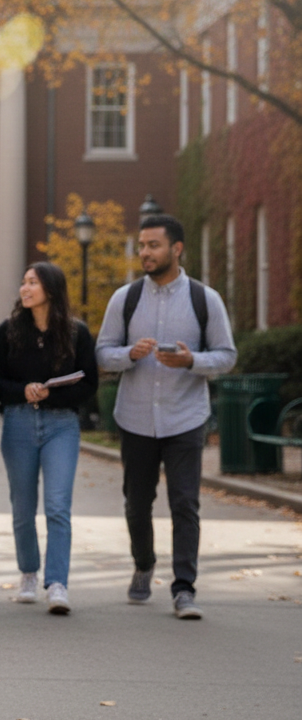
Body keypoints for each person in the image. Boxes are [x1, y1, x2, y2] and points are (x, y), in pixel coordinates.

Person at [97, 215, 236, 619]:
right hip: (136, 419)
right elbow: (103, 352)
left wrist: (192, 360)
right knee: (136, 505)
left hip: (185, 418)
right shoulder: (125, 299)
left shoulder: (204, 300)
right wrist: (130, 355)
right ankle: (143, 564)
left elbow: (227, 356)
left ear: (176, 249)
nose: (145, 253)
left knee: (185, 504)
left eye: (153, 245)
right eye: (141, 245)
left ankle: (184, 588)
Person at [0, 262, 98, 614]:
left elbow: (89, 384)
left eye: (32, 282)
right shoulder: (8, 332)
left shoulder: (76, 332)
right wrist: (24, 391)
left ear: (50, 289)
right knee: (23, 509)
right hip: (19, 425)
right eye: (23, 282)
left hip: (61, 426)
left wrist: (51, 395)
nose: (25, 288)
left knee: (57, 507)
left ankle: (57, 584)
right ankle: (29, 574)